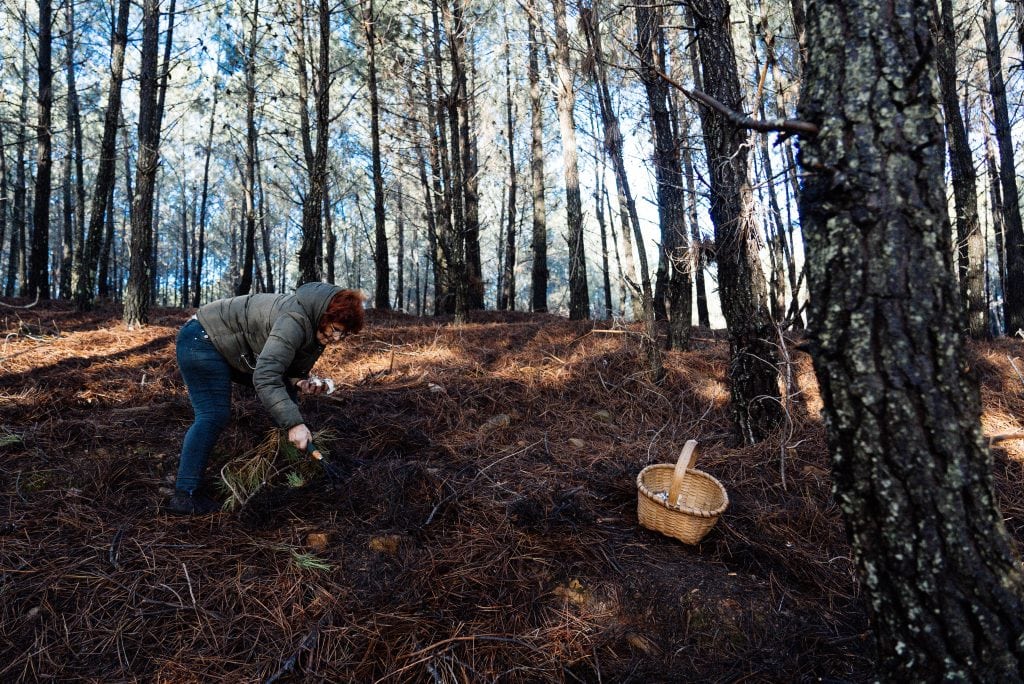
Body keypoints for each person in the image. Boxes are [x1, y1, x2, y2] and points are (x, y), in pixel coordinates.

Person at [166, 282, 366, 515]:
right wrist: (294, 424)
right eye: (335, 330)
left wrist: (300, 382)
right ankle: (185, 494)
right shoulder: (295, 320)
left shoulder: (314, 326)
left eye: (344, 334)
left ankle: (286, 472)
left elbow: (283, 369)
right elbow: (266, 375)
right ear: (324, 315)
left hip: (226, 347)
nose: (337, 339)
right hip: (201, 339)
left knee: (287, 399)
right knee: (213, 414)